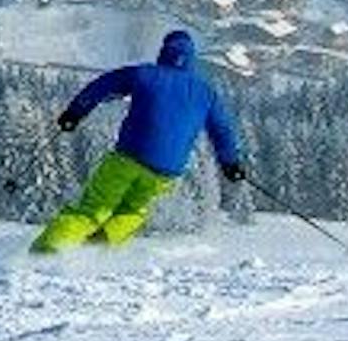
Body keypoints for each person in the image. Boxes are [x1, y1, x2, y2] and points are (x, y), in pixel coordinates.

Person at [32, 27, 250, 253]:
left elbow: (103, 86)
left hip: (129, 157)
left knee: (92, 209)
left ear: (164, 52)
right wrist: (230, 164)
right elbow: (222, 131)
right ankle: (94, 251)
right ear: (192, 58)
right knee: (132, 211)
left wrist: (75, 113)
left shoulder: (144, 74)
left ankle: (45, 254)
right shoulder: (206, 93)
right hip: (165, 172)